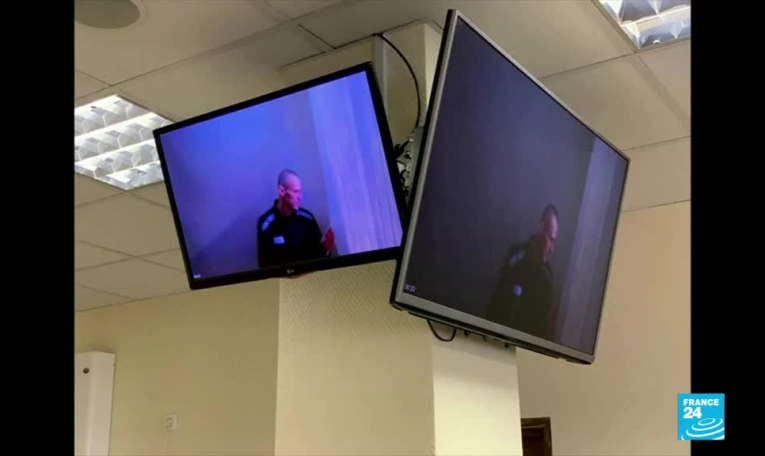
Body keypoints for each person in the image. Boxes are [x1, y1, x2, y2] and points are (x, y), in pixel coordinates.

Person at [487, 204, 559, 340]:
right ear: (540, 228)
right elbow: (496, 304)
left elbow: (543, 330)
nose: (552, 249)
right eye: (550, 239)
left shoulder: (547, 279)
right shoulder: (515, 257)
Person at [257, 169, 335, 268]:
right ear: (281, 191)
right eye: (295, 192)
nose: (300, 197)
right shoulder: (266, 224)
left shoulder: (308, 220)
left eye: (300, 191)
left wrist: (326, 248)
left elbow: (320, 259)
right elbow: (264, 266)